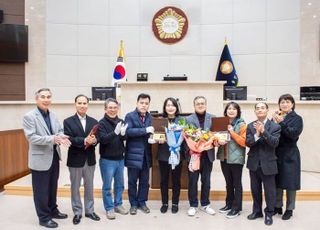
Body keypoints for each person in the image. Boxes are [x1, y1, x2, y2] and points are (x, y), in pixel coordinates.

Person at [22, 88, 70, 228]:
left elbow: (59, 131)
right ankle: (43, 218)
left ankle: (53, 210)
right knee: (41, 190)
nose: (46, 99)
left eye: (48, 96)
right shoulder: (29, 116)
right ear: (37, 99)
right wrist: (53, 139)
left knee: (52, 187)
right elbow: (31, 137)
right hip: (39, 159)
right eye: (43, 97)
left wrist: (61, 137)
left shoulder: (53, 115)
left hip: (54, 156)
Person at [63, 94, 100, 225]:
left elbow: (97, 139)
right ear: (75, 104)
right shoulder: (67, 121)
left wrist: (95, 141)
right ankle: (77, 212)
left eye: (85, 103)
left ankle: (89, 211)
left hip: (89, 159)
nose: (82, 105)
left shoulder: (94, 121)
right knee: (75, 187)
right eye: (80, 103)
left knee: (89, 186)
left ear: (88, 105)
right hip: (75, 159)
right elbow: (69, 139)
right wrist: (84, 140)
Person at [246, 102, 281, 226]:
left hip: (269, 164)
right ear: (255, 111)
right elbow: (248, 143)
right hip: (254, 163)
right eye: (257, 108)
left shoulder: (275, 127)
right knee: (255, 190)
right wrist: (256, 134)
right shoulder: (250, 126)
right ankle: (257, 211)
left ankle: (269, 213)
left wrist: (264, 131)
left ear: (267, 110)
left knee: (270, 191)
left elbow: (274, 143)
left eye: (262, 108)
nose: (260, 110)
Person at [272, 94, 303, 220]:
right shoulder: (276, 117)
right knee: (277, 181)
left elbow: (293, 134)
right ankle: (277, 205)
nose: (284, 104)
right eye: (282, 102)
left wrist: (282, 123)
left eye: (287, 102)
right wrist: (273, 122)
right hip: (276, 152)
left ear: (292, 104)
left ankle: (289, 209)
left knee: (290, 183)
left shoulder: (297, 118)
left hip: (290, 153)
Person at [97, 98, 129, 220]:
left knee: (120, 185)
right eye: (110, 107)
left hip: (120, 159)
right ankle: (109, 208)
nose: (112, 110)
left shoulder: (121, 121)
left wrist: (123, 134)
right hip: (107, 160)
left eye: (115, 107)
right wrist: (115, 133)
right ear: (105, 109)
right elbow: (103, 140)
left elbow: (124, 138)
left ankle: (118, 204)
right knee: (107, 186)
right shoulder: (101, 123)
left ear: (118, 108)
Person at [185, 96, 216, 217]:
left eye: (202, 103)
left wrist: (217, 140)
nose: (200, 105)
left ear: (206, 105)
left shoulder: (213, 118)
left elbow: (217, 135)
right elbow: (186, 138)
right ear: (194, 106)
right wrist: (192, 150)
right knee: (192, 182)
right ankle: (193, 205)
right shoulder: (188, 119)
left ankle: (205, 204)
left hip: (207, 155)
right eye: (198, 103)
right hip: (194, 156)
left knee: (206, 181)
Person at [125, 93, 155, 215]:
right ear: (137, 103)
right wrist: (145, 130)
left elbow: (152, 132)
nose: (144, 105)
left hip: (146, 155)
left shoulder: (151, 117)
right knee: (132, 181)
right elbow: (128, 132)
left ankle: (142, 202)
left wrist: (152, 138)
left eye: (146, 103)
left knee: (144, 182)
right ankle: (133, 204)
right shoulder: (130, 116)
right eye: (141, 103)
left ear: (149, 105)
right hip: (133, 155)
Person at [217, 102, 247, 218]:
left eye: (234, 109)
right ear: (226, 111)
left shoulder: (242, 124)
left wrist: (231, 132)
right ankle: (228, 204)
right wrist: (217, 141)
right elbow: (216, 137)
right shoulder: (222, 123)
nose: (231, 111)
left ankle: (236, 208)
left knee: (236, 184)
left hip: (236, 158)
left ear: (238, 112)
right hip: (224, 157)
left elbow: (244, 142)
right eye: (229, 108)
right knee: (228, 183)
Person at [157, 97, 183, 214]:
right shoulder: (160, 120)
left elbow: (186, 136)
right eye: (168, 105)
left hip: (177, 154)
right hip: (163, 154)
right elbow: (155, 135)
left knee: (176, 180)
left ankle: (175, 203)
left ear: (176, 107)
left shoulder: (182, 121)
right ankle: (165, 203)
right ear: (165, 107)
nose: (170, 107)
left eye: (172, 105)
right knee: (164, 180)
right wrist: (158, 139)